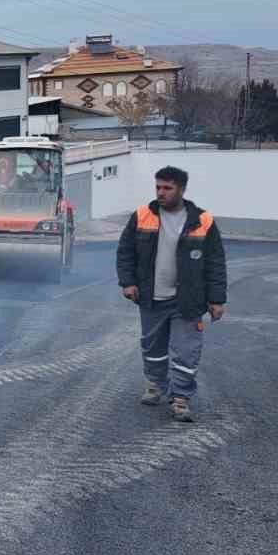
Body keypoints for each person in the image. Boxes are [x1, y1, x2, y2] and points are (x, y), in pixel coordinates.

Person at [116, 165, 228, 423]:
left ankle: (180, 398)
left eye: (167, 188)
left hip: (188, 301)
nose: (161, 192)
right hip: (151, 298)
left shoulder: (203, 221)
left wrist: (216, 299)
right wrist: (128, 282)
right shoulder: (142, 216)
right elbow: (125, 252)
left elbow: (215, 263)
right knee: (153, 348)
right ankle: (155, 385)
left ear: (182, 189)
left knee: (186, 351)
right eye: (158, 187)